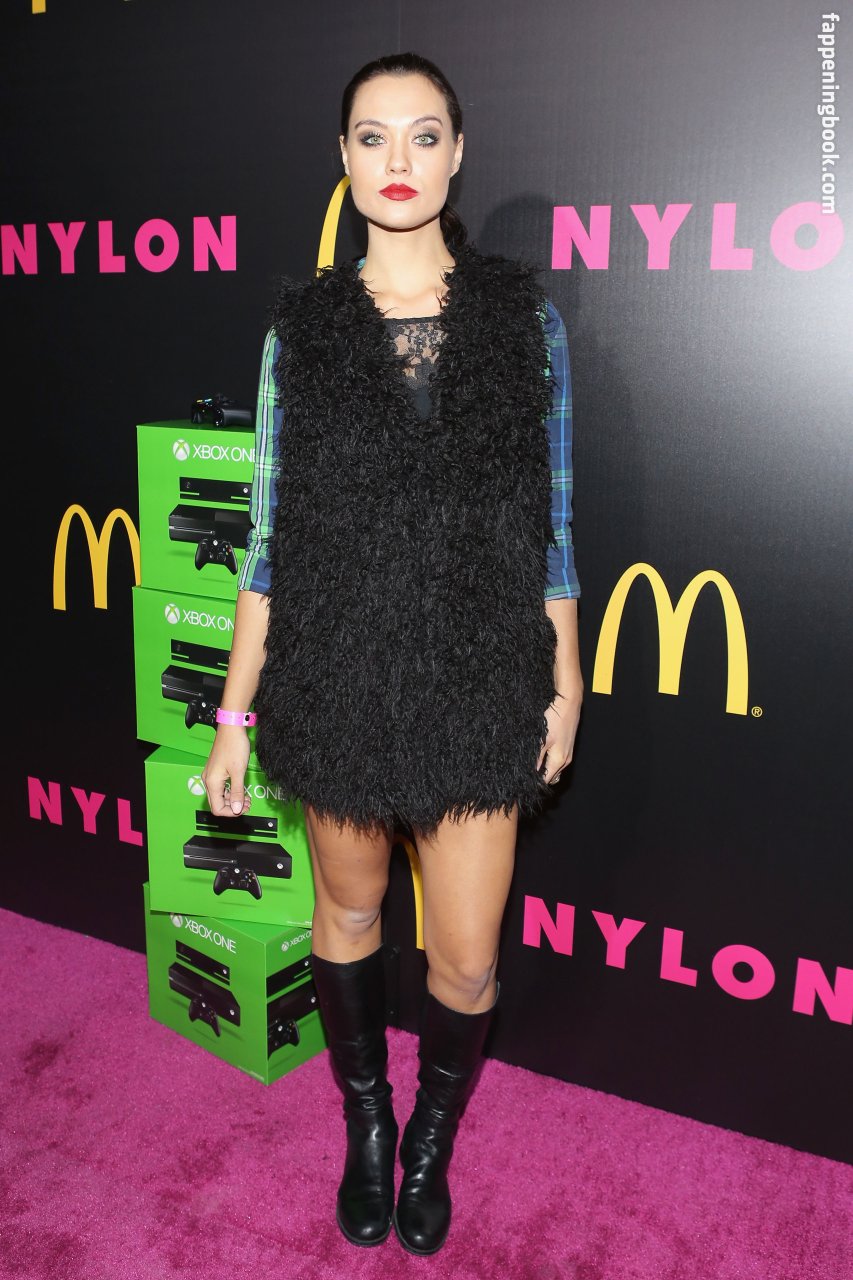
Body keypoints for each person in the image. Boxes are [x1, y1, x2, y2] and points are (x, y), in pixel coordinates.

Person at [201, 51, 582, 1256]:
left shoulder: (523, 323)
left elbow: (551, 524)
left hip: (478, 672)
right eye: (373, 137)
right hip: (337, 672)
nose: (398, 160)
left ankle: (430, 1137)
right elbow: (269, 537)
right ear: (344, 158)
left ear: (457, 154)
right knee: (350, 912)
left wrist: (565, 677)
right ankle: (368, 1124)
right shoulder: (302, 332)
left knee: (464, 962)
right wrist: (233, 715)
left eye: (424, 135)